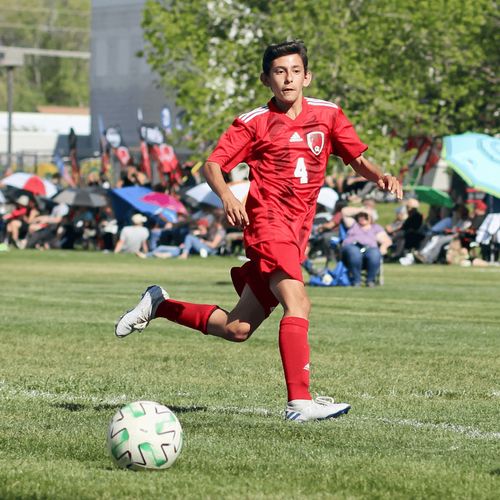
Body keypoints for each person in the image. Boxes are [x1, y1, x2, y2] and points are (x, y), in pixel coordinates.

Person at [115, 40, 402, 422]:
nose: (288, 78)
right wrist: (228, 197)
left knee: (237, 328)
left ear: (307, 76)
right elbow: (212, 164)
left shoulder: (329, 115)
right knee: (299, 304)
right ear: (266, 78)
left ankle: (159, 304)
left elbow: (357, 158)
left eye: (295, 71)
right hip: (268, 225)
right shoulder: (253, 123)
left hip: (296, 234)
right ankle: (300, 403)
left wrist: (380, 176)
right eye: (279, 72)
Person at [341, 206, 392, 287]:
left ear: (371, 218)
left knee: (375, 253)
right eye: (360, 215)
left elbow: (386, 240)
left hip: (369, 249)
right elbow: (344, 211)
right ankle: (356, 281)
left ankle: (370, 281)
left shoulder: (376, 228)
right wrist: (361, 210)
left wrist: (384, 246)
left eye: (365, 216)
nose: (362, 217)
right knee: (354, 252)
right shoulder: (353, 224)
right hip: (352, 247)